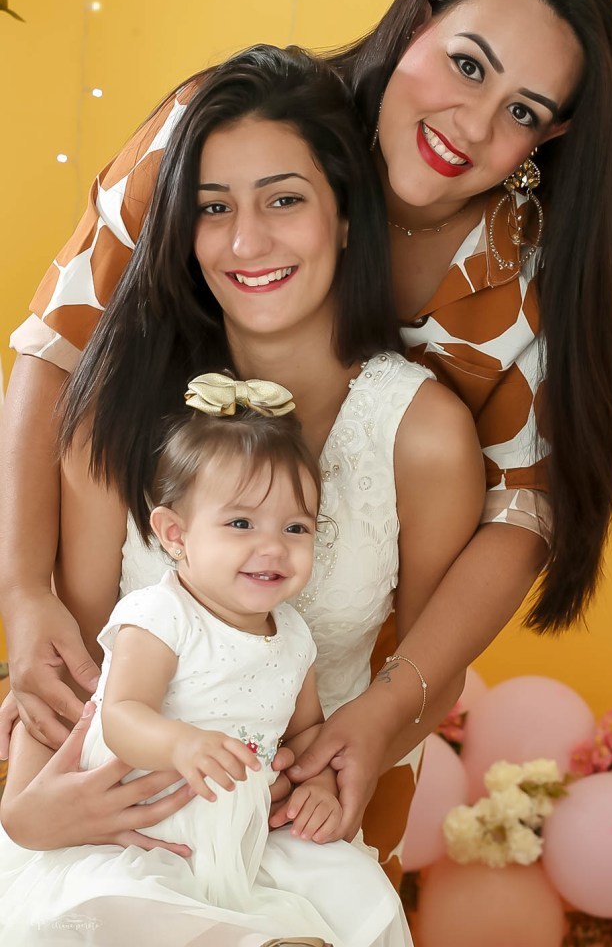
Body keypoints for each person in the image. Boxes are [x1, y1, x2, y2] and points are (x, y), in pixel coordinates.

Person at [0, 0, 612, 877]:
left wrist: (384, 712)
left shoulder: (529, 282)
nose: (470, 124)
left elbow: (523, 507)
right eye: (466, 63)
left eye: (520, 109)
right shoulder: (242, 128)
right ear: (416, 22)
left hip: (341, 711)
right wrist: (23, 591)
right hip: (136, 705)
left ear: (550, 136)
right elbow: (60, 345)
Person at [0, 43, 483, 891]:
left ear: (345, 216)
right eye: (213, 206)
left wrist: (327, 784)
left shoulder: (425, 436)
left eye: (284, 200)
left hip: (293, 836)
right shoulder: (118, 408)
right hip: (113, 842)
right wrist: (29, 817)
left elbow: (428, 674)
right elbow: (74, 670)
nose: (246, 240)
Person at [0, 377, 412, 947]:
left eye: (295, 527)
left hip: (239, 837)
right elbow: (121, 714)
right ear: (175, 534)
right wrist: (181, 745)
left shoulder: (294, 637)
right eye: (241, 523)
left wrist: (316, 783)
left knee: (356, 889)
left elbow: (306, 732)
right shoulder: (160, 615)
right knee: (122, 904)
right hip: (144, 828)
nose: (273, 546)